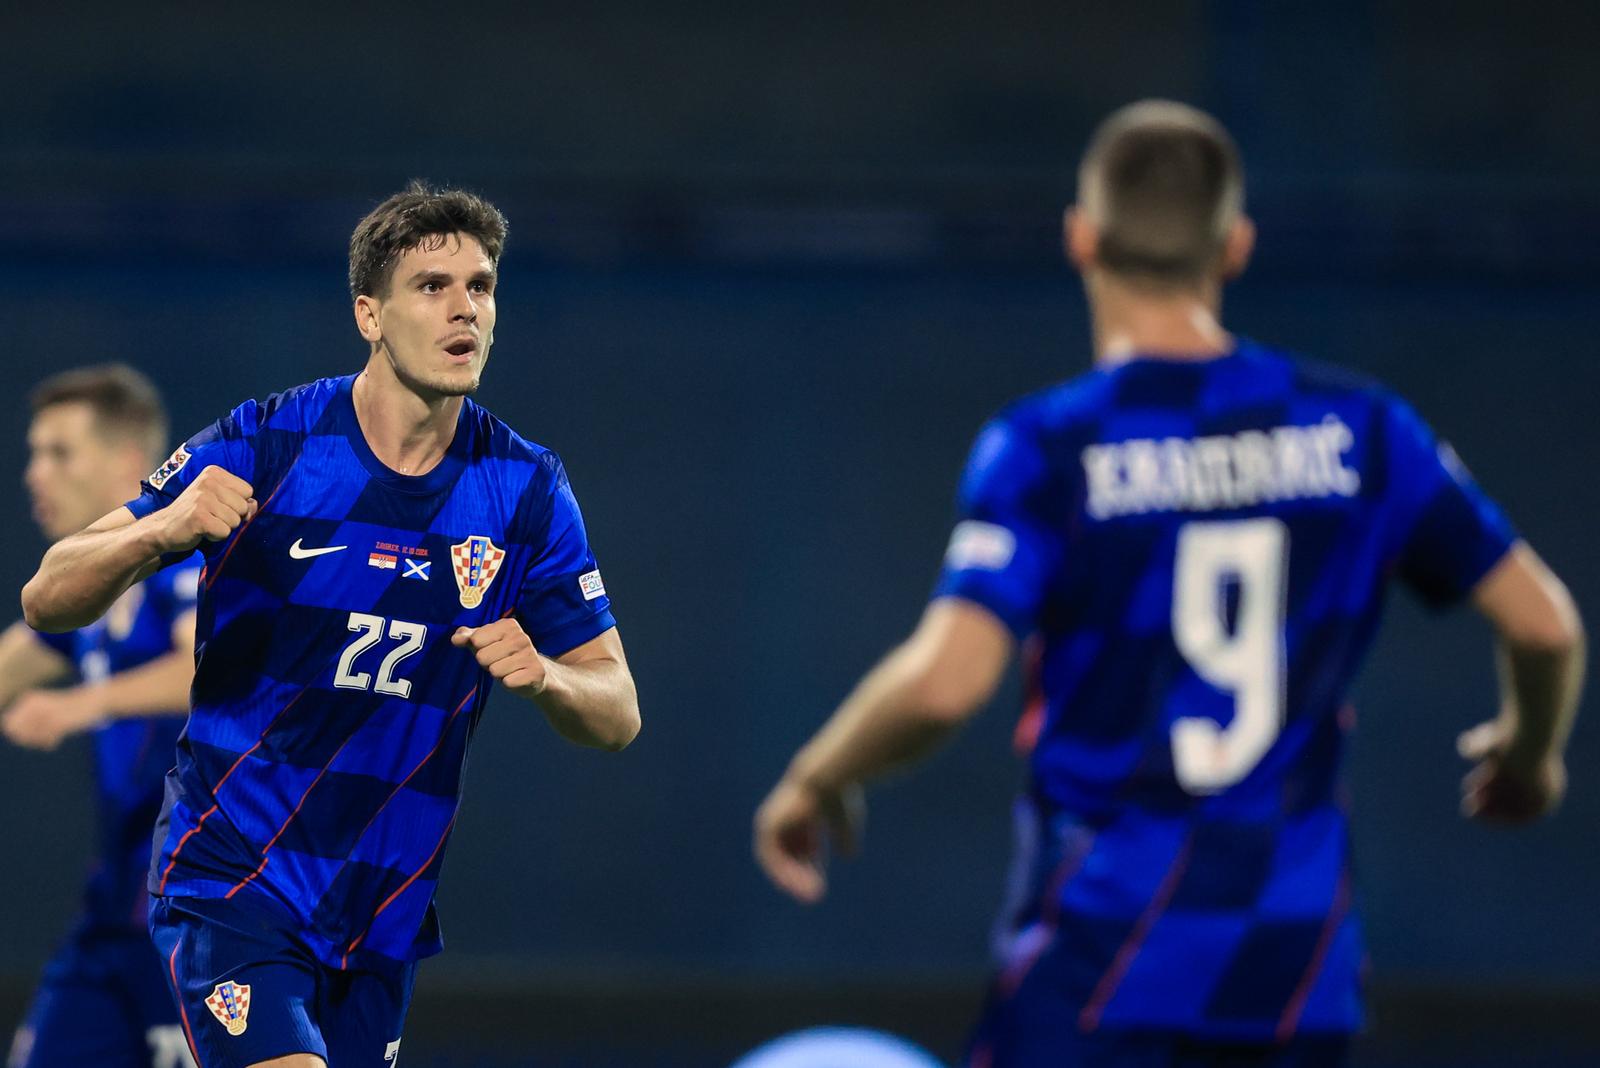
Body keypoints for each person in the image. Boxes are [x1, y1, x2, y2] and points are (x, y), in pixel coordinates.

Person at [753, 101, 1585, 1067]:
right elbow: (1544, 627)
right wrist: (1531, 757)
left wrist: (818, 776)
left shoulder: (1050, 447)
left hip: (1105, 966)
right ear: (1234, 247)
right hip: (1292, 975)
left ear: (1081, 238)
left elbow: (947, 682)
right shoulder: (1363, 431)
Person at [22, 182, 641, 1068]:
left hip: (378, 916)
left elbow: (618, 711)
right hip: (233, 880)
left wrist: (548, 678)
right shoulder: (269, 442)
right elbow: (48, 595)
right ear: (370, 315)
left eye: (482, 285)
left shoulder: (526, 491)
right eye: (432, 286)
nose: (465, 308)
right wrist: (162, 527)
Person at [4, 365, 200, 1068]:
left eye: (58, 452)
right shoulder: (82, 602)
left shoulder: (184, 567)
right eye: (33, 452)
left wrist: (80, 703)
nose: (35, 473)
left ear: (127, 463)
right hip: (113, 919)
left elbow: (201, 670)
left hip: (198, 920)